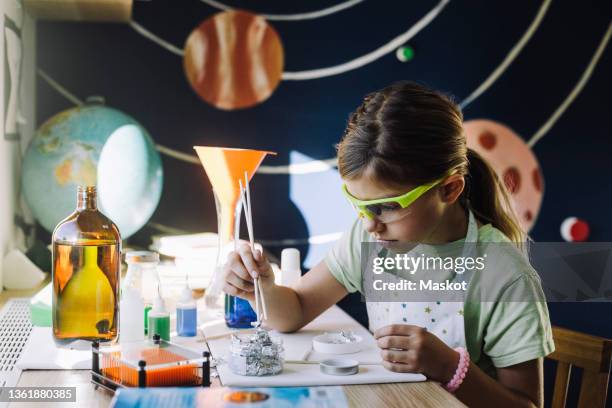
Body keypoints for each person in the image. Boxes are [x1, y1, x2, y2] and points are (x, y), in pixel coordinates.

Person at [223, 81, 554, 407]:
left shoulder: (505, 275)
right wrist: (259, 287)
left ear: (449, 190)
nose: (370, 223)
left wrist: (450, 367)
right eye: (359, 204)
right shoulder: (370, 238)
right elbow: (293, 312)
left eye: (388, 207)